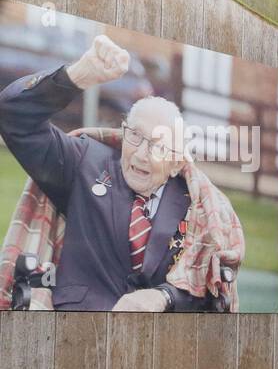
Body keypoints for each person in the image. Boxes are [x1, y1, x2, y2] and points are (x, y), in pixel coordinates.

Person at [0, 34, 239, 311]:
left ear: (176, 163)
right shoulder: (84, 161)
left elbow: (211, 292)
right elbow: (12, 115)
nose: (140, 154)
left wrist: (164, 297)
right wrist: (77, 75)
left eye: (157, 146)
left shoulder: (197, 206)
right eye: (135, 136)